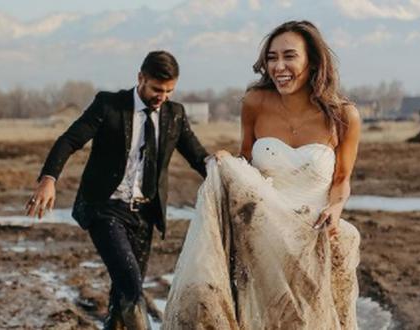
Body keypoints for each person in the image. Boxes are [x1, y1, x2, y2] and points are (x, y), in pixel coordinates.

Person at [164, 20, 361, 329]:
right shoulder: (255, 102)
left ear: (312, 61)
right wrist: (228, 162)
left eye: (289, 56)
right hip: (260, 241)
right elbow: (246, 163)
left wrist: (336, 209)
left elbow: (341, 179)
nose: (278, 66)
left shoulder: (343, 115)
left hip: (311, 237)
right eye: (272, 57)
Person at [25, 51, 209, 330]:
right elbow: (69, 140)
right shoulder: (109, 105)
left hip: (145, 214)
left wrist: (225, 171)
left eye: (169, 91)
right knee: (131, 283)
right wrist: (48, 178)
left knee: (122, 295)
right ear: (140, 78)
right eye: (157, 89)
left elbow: (198, 157)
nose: (163, 97)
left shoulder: (175, 114)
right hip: (105, 208)